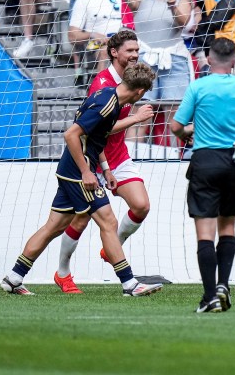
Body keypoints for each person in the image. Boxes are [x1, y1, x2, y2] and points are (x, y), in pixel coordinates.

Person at [0, 63, 161, 297]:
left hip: (73, 169)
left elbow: (97, 136)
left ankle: (14, 277)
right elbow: (71, 134)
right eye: (143, 93)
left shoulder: (110, 98)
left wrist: (105, 169)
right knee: (108, 222)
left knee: (54, 226)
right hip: (77, 172)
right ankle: (129, 284)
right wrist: (87, 171)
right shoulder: (107, 104)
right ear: (139, 91)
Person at [170, 38, 235, 314]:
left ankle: (208, 297)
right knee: (227, 226)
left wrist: (189, 132)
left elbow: (176, 126)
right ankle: (223, 286)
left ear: (210, 59)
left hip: (205, 160)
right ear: (233, 60)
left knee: (205, 232)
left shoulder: (198, 87)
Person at [52, 30, 158, 292]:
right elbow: (96, 129)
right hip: (93, 160)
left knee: (141, 205)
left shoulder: (132, 79)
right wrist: (135, 119)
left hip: (117, 156)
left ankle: (113, 247)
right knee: (79, 220)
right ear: (114, 52)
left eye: (137, 50)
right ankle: (63, 272)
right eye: (130, 51)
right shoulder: (102, 85)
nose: (135, 55)